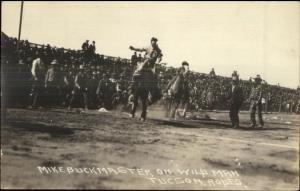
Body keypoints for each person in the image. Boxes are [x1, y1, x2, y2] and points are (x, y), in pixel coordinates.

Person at [129, 37, 163, 105]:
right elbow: (140, 49)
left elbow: (160, 56)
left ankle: (154, 94)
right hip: (144, 63)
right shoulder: (147, 47)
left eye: (155, 43)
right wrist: (134, 48)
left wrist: (159, 59)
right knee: (136, 72)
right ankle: (132, 90)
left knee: (155, 78)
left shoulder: (158, 50)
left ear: (156, 43)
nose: (154, 44)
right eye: (153, 42)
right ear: (151, 42)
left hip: (151, 66)